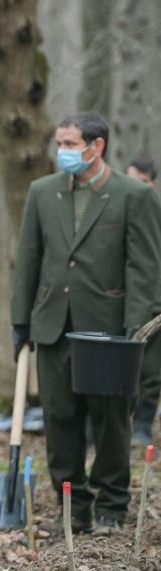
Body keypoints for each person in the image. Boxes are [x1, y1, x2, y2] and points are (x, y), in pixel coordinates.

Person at [11, 113, 161, 534]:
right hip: (54, 326)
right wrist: (20, 321)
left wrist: (136, 327)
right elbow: (28, 261)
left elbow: (145, 267)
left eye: (71, 144)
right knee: (60, 419)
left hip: (110, 330)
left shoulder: (134, 195)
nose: (63, 152)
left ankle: (111, 504)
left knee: (111, 418)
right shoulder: (43, 193)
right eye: (59, 143)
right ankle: (72, 507)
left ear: (97, 147)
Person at [126, 158, 161, 446]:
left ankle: (142, 426)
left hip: (155, 308)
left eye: (141, 181)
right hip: (121, 305)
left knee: (149, 373)